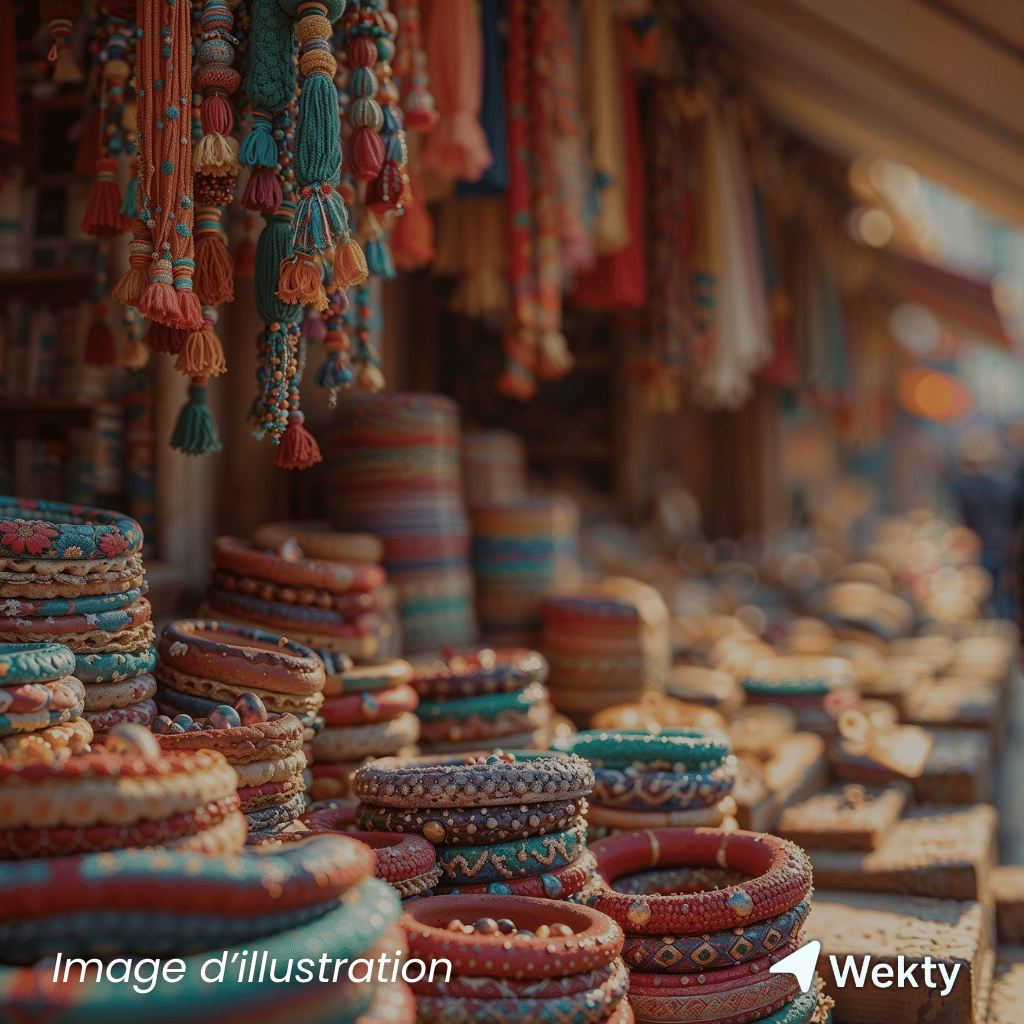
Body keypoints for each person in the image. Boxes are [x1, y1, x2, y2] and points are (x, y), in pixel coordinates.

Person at [949, 426, 1019, 619]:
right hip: (1004, 548)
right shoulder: (1006, 486)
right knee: (1005, 597)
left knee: (990, 598)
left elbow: (965, 521)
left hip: (985, 547)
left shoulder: (965, 487)